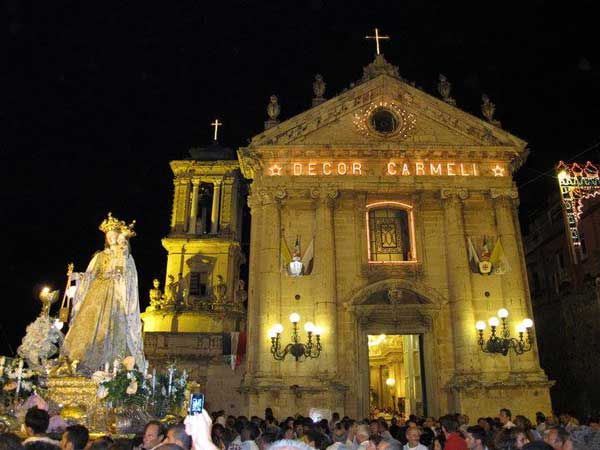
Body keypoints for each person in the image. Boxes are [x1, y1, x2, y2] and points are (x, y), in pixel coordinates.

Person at [62, 213, 144, 371]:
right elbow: (91, 274)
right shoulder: (100, 256)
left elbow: (128, 275)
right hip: (97, 293)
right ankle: (79, 361)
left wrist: (122, 255)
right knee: (89, 324)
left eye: (114, 236)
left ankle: (111, 365)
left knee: (113, 325)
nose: (112, 239)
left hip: (115, 294)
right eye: (109, 236)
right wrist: (76, 276)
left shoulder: (124, 256)